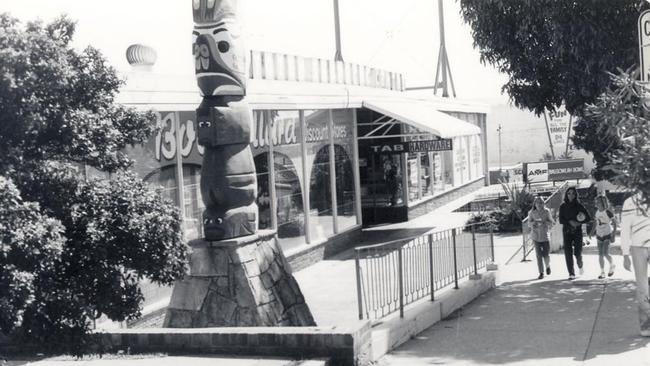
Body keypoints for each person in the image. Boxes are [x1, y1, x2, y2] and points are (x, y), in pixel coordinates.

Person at [621, 193, 650, 336]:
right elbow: (625, 229)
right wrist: (625, 254)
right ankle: (646, 326)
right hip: (638, 247)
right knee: (642, 286)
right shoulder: (629, 202)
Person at [559, 187, 591, 280]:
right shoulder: (563, 206)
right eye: (569, 193)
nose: (571, 195)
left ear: (576, 195)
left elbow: (588, 218)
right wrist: (570, 222)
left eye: (573, 193)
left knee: (577, 253)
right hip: (567, 231)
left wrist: (579, 222)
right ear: (566, 194)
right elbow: (561, 220)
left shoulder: (579, 206)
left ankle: (580, 263)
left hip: (577, 231)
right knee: (568, 252)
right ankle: (571, 273)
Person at [589, 195, 617, 279]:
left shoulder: (608, 212)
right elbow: (595, 223)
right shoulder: (597, 212)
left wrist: (613, 235)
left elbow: (615, 223)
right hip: (599, 234)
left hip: (607, 233)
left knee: (605, 253)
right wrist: (591, 233)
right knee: (600, 254)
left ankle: (612, 265)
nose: (596, 203)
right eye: (596, 202)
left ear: (603, 202)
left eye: (598, 202)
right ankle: (602, 272)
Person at [527, 196, 554, 279]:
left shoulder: (547, 211)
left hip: (545, 236)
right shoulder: (531, 212)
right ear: (535, 204)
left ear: (544, 203)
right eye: (538, 202)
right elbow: (528, 223)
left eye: (541, 202)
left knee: (546, 254)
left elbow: (551, 223)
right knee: (538, 255)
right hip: (535, 236)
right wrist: (533, 224)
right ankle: (541, 272)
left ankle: (548, 266)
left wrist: (545, 222)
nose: (540, 204)